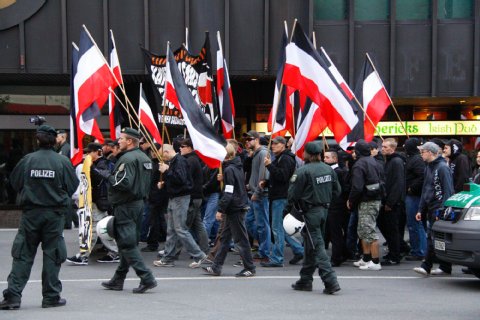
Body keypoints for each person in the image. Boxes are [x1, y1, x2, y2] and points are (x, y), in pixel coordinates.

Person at [1, 125, 78, 310]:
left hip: (31, 215)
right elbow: (72, 186)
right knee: (53, 255)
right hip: (54, 216)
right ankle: (51, 296)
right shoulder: (62, 162)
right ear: (54, 141)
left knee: (23, 255)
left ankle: (13, 297)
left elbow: (14, 182)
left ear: (37, 140)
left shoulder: (28, 160)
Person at [99, 128, 157, 294]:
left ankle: (146, 277)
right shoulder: (144, 157)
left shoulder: (128, 159)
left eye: (122, 139)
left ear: (130, 141)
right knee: (128, 241)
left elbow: (123, 183)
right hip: (138, 204)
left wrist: (108, 176)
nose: (119, 142)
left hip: (125, 205)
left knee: (126, 243)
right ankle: (118, 279)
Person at [288, 142, 341, 295]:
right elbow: (337, 191)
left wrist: (288, 210)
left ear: (308, 154)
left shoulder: (303, 171)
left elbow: (292, 194)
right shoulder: (328, 169)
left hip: (310, 212)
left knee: (317, 246)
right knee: (311, 245)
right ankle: (305, 279)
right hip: (324, 210)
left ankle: (330, 281)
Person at [203, 143, 256, 277]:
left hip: (235, 207)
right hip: (236, 205)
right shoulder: (235, 166)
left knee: (240, 239)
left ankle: (250, 267)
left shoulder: (229, 169)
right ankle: (216, 267)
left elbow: (229, 192)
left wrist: (220, 209)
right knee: (225, 238)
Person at [153, 144, 208, 268]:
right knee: (172, 229)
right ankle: (168, 258)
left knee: (180, 229)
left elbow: (181, 179)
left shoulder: (180, 161)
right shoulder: (176, 161)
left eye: (162, 156)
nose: (163, 159)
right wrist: (165, 182)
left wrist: (166, 171)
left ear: (167, 152)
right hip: (175, 197)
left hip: (180, 198)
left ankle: (199, 255)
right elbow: (177, 179)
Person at [67, 142, 117, 265]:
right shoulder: (97, 163)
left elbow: (101, 177)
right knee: (102, 229)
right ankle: (115, 253)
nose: (87, 155)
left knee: (94, 229)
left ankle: (84, 256)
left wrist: (90, 166)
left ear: (98, 152)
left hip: (98, 201)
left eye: (89, 152)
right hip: (96, 201)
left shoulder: (103, 164)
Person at [413, 142, 454, 276]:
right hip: (431, 206)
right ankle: (445, 266)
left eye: (423, 151)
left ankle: (427, 266)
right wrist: (420, 209)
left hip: (438, 208)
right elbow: (426, 189)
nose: (421, 154)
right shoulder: (428, 167)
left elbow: (448, 190)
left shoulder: (442, 168)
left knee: (432, 236)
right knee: (437, 238)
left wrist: (443, 210)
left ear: (430, 152)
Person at [262, 136, 303, 267]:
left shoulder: (285, 159)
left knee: (277, 228)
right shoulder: (282, 158)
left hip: (280, 197)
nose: (272, 146)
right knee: (281, 228)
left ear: (283, 145)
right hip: (278, 195)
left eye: (275, 144)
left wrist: (269, 166)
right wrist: (267, 183)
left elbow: (283, 176)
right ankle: (299, 249)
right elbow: (278, 177)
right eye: (272, 144)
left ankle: (277, 258)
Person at [348, 139, 383, 271]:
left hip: (366, 200)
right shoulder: (373, 161)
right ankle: (366, 258)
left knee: (368, 231)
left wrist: (350, 200)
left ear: (357, 151)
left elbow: (357, 187)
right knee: (363, 230)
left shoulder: (359, 165)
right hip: (373, 198)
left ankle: (375, 261)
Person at [378, 138, 406, 265]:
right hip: (387, 201)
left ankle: (395, 256)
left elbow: (398, 184)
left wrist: (390, 202)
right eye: (382, 146)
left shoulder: (396, 162)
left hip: (393, 203)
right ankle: (396, 250)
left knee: (392, 230)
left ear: (392, 148)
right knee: (386, 228)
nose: (382, 148)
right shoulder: (389, 161)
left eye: (385, 147)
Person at [244, 130, 271, 261]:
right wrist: (250, 185)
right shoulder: (255, 154)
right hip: (253, 192)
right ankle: (265, 245)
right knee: (249, 222)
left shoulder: (263, 153)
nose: (247, 142)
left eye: (249, 139)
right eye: (246, 140)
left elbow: (263, 176)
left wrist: (257, 192)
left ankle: (264, 251)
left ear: (256, 139)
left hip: (260, 194)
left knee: (262, 224)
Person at [324, 149, 350, 267]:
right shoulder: (328, 171)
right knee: (331, 231)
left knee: (336, 233)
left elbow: (342, 190)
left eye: (327, 157)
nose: (325, 159)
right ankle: (343, 253)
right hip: (331, 205)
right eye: (324, 157)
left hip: (337, 206)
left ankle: (336, 257)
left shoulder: (339, 172)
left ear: (335, 159)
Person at [404, 138, 426, 261]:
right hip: (413, 195)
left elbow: (422, 176)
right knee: (414, 224)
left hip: (414, 196)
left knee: (416, 224)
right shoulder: (414, 158)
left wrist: (411, 188)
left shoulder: (417, 160)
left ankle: (419, 251)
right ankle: (417, 250)